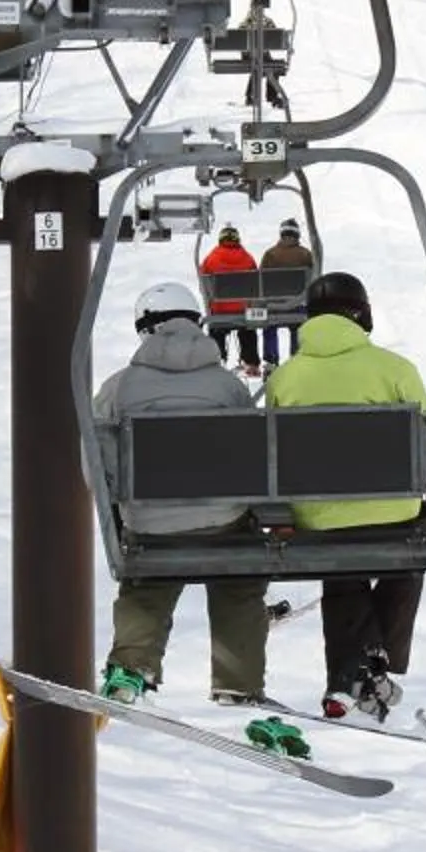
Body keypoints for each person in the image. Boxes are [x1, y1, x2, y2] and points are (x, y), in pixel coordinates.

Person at [264, 270, 426, 735]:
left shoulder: (285, 377)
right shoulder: (395, 369)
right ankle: (373, 664)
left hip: (318, 515)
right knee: (408, 555)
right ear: (362, 314)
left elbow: (270, 451)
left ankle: (350, 675)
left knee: (343, 569)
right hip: (392, 510)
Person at [92, 281, 270, 706]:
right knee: (239, 584)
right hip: (223, 521)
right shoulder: (228, 386)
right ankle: (237, 682)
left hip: (150, 524)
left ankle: (132, 666)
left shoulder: (119, 388)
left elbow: (96, 461)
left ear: (146, 328)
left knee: (147, 584)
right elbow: (253, 454)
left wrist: (122, 508)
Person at [197, 223, 262, 375]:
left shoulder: (211, 259)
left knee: (216, 330)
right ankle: (251, 362)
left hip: (219, 311)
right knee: (248, 330)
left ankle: (216, 360)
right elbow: (256, 285)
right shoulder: (248, 258)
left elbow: (204, 287)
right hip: (243, 311)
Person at [256, 218, 315, 367]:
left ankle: (271, 360)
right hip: (297, 306)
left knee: (269, 326)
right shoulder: (305, 254)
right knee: (298, 326)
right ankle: (297, 358)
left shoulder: (270, 254)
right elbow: (313, 280)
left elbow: (260, 281)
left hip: (274, 307)